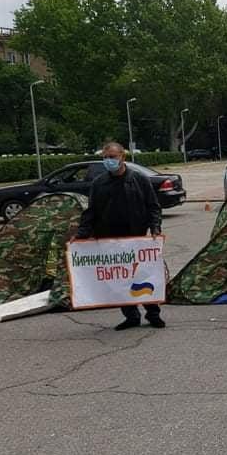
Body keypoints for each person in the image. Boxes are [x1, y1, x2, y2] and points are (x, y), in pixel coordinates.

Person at [76, 142, 164, 331]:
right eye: (106, 157)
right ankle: (131, 316)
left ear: (122, 157)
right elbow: (91, 212)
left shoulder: (139, 179)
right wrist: (81, 235)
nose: (109, 161)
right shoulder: (99, 183)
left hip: (135, 238)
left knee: (141, 276)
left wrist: (155, 227)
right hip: (109, 240)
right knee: (119, 280)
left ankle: (153, 313)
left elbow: (153, 206)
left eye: (113, 157)